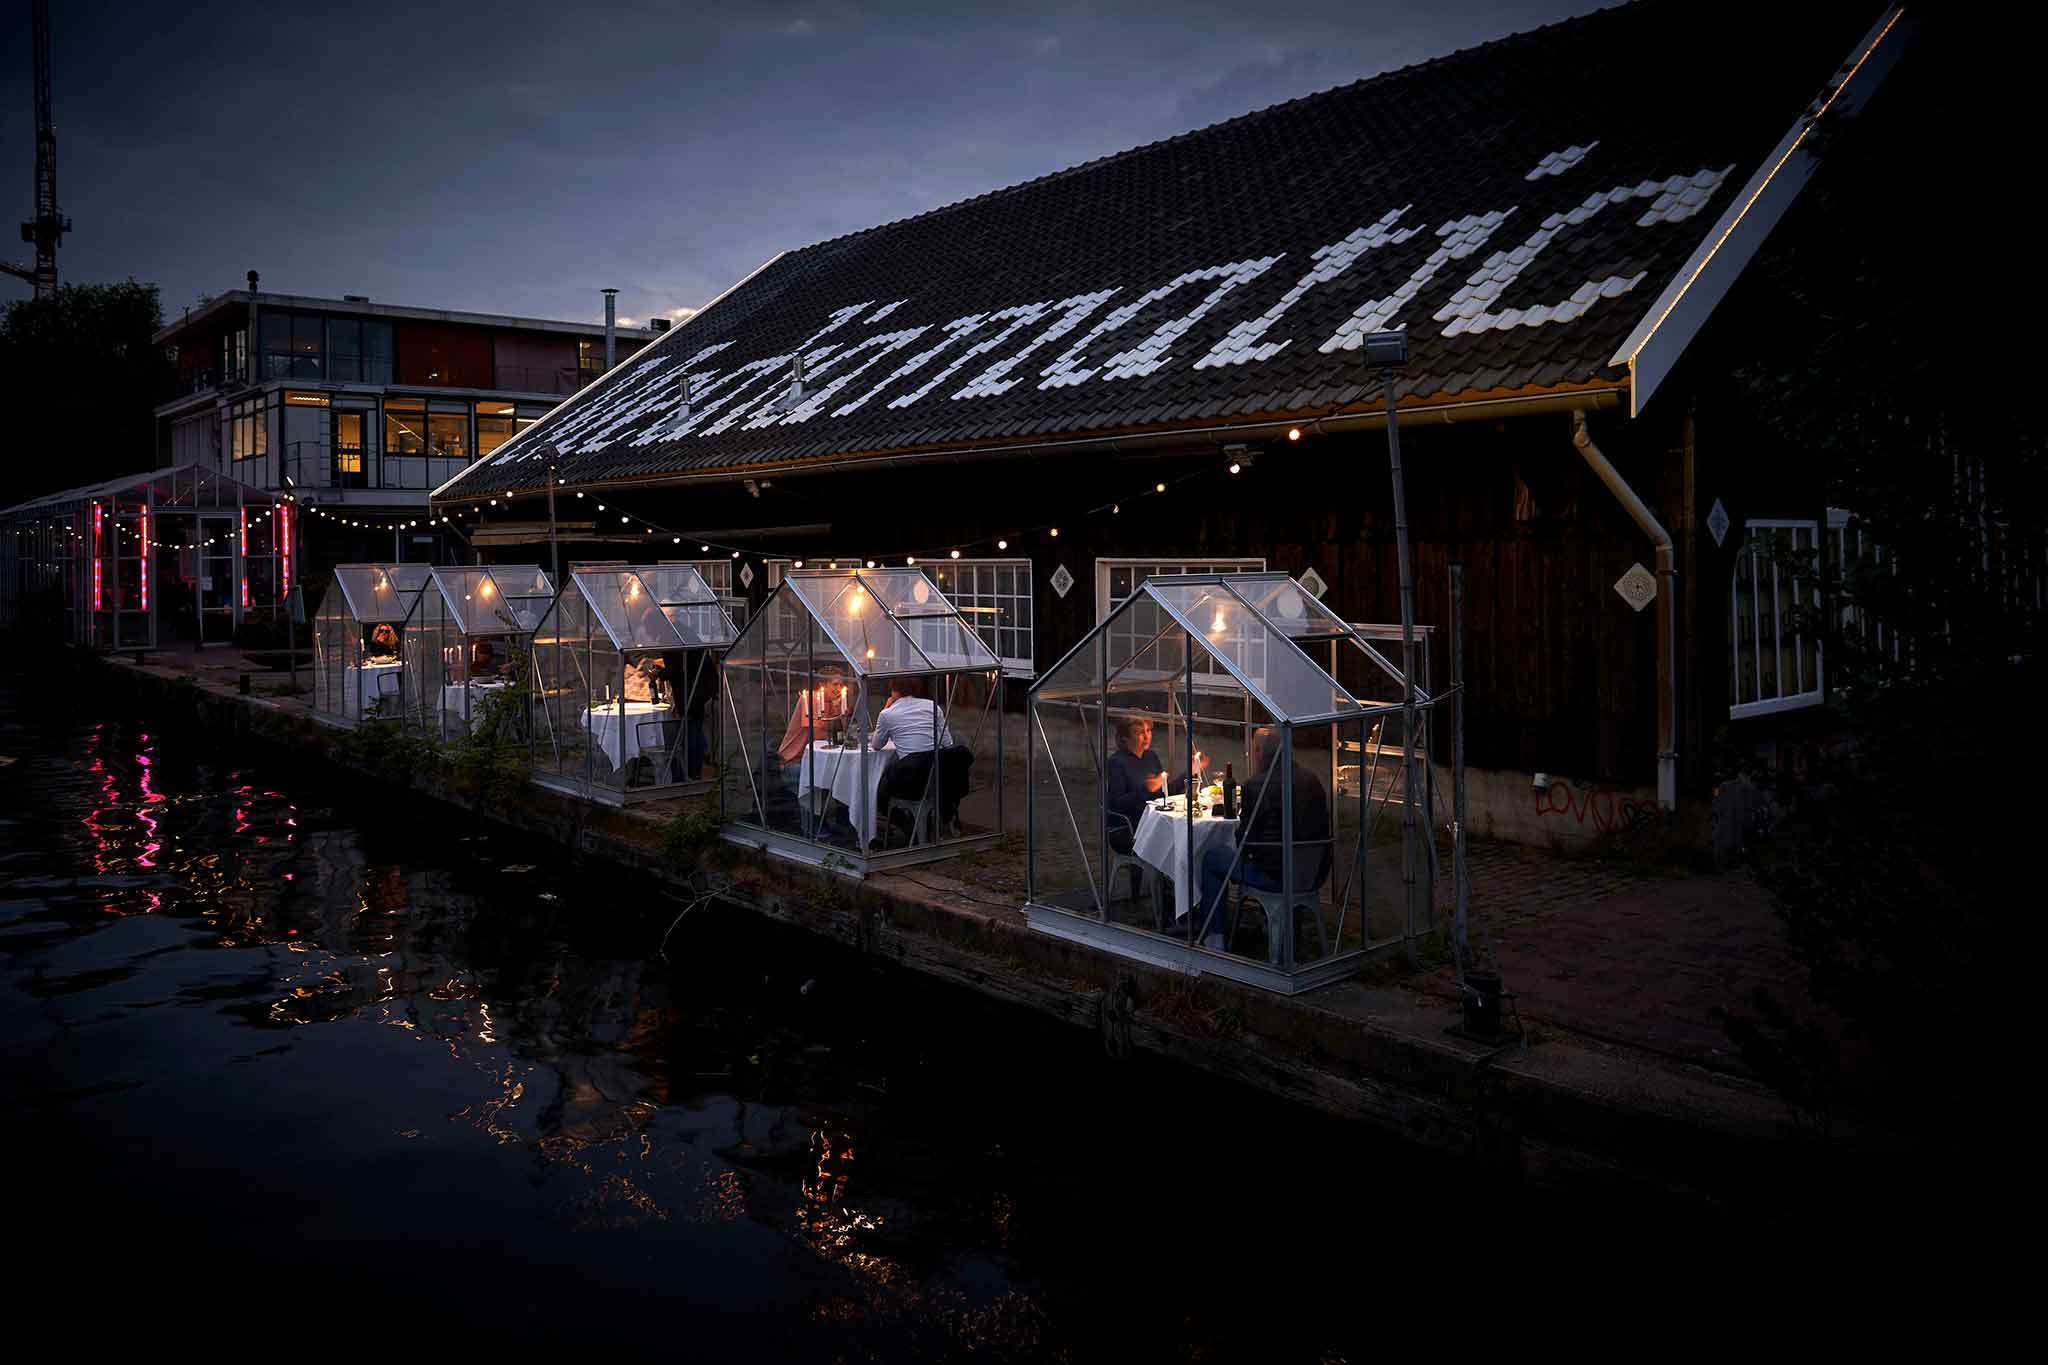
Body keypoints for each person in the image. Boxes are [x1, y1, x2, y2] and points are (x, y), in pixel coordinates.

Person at [1196, 726, 1330, 952]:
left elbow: (1245, 840)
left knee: (1212, 858)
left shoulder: (1256, 785)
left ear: (1258, 753)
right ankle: (1282, 930)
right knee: (1281, 852)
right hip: (1313, 873)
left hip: (1275, 876)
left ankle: (1214, 938)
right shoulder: (1311, 780)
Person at [1103, 716, 1204, 855]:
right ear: (1124, 738)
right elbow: (1116, 804)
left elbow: (1165, 793)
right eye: (1138, 733)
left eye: (1148, 731)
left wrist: (1190, 773)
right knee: (1181, 840)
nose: (1146, 736)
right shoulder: (1116, 763)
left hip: (1155, 821)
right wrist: (1145, 790)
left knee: (1191, 835)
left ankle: (1175, 875)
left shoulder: (1151, 757)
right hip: (1130, 828)